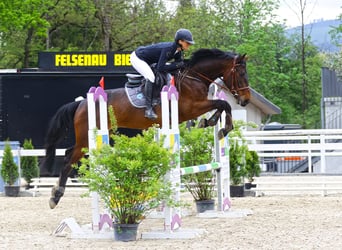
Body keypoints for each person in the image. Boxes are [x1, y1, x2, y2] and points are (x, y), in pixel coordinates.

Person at [130, 28, 195, 120]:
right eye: (187, 43)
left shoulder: (178, 51)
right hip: (138, 58)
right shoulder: (168, 48)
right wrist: (176, 65)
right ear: (180, 41)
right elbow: (160, 68)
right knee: (151, 77)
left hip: (149, 60)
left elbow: (178, 66)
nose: (189, 45)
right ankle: (148, 109)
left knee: (166, 76)